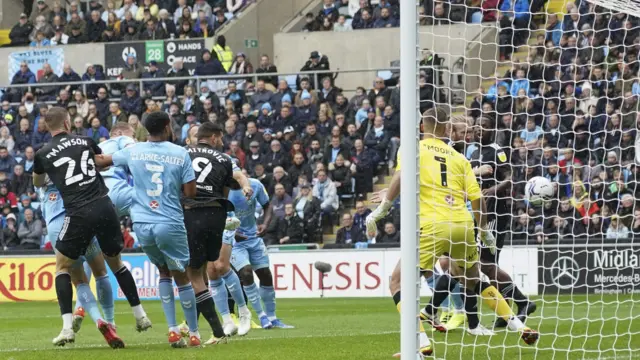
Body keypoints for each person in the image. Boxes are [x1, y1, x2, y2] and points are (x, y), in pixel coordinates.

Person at [365, 108, 538, 357]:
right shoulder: (459, 158)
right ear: (447, 129)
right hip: (463, 223)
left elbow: (401, 178)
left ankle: (421, 343)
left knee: (397, 281)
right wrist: (484, 232)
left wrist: (380, 211)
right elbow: (477, 197)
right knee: (472, 277)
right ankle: (520, 326)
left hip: (432, 225)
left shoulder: (413, 148)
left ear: (422, 127)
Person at [33, 107, 150, 347]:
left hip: (75, 215)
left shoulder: (43, 153)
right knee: (113, 266)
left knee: (63, 269)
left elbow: (37, 182)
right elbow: (102, 164)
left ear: (46, 126)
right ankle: (139, 315)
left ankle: (67, 327)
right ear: (67, 123)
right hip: (104, 206)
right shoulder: (86, 140)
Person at [95, 111, 201, 348]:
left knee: (163, 273)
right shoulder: (180, 152)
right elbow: (191, 192)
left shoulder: (134, 151)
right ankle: (193, 333)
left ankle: (173, 330)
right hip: (169, 220)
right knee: (182, 276)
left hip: (142, 223)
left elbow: (101, 161)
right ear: (166, 127)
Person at [181, 122, 253, 343]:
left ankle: (216, 329)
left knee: (195, 274)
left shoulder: (182, 154)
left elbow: (176, 185)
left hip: (191, 213)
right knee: (210, 269)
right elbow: (225, 191)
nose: (222, 142)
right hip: (216, 215)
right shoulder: (224, 159)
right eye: (221, 138)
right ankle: (212, 322)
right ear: (213, 138)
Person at [468, 116, 536, 328]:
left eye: (484, 126)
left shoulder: (497, 150)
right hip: (481, 213)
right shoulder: (475, 152)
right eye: (477, 126)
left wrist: (493, 190)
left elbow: (509, 177)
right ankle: (506, 310)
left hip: (496, 212)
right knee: (487, 264)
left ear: (492, 129)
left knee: (485, 264)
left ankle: (523, 302)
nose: (480, 130)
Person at [228, 177, 295, 329]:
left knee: (265, 274)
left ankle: (272, 317)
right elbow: (216, 216)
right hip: (234, 241)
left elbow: (268, 205)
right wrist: (231, 232)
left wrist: (265, 224)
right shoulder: (221, 189)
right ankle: (261, 315)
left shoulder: (255, 185)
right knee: (246, 273)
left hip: (254, 238)